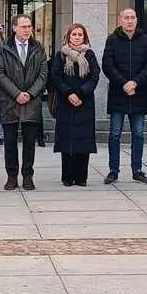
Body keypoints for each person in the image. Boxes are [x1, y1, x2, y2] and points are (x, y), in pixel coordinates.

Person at [0, 15, 49, 191]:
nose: (27, 30)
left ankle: (27, 176)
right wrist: (16, 93)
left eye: (29, 26)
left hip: (31, 102)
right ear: (14, 28)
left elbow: (43, 74)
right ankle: (11, 176)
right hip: (9, 101)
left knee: (29, 142)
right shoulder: (2, 49)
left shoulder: (38, 48)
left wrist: (30, 94)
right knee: (9, 142)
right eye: (23, 26)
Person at [101, 9, 147, 185]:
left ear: (136, 20)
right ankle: (113, 170)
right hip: (119, 93)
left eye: (133, 17)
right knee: (115, 134)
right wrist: (124, 83)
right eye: (126, 18)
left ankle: (137, 170)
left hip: (138, 93)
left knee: (138, 134)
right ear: (120, 20)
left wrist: (135, 83)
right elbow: (107, 65)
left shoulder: (145, 40)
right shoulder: (112, 39)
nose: (130, 21)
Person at [49, 23, 99, 187]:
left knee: (83, 141)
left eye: (80, 35)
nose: (77, 37)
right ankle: (67, 177)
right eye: (74, 35)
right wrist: (69, 93)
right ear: (68, 37)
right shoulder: (61, 55)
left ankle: (81, 177)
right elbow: (55, 76)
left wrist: (82, 93)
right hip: (66, 102)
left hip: (84, 103)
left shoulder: (89, 55)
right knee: (67, 140)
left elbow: (94, 77)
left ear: (84, 37)